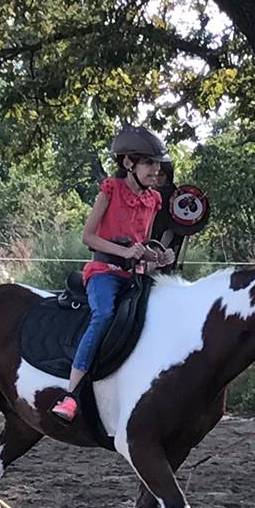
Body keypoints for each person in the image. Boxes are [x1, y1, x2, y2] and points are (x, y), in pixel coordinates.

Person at [51, 126, 175, 422]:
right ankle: (71, 394)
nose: (155, 170)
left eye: (157, 164)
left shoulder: (153, 200)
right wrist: (124, 253)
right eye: (149, 163)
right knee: (104, 314)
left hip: (134, 275)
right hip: (103, 272)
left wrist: (158, 256)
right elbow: (88, 237)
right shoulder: (110, 191)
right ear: (128, 163)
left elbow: (141, 244)